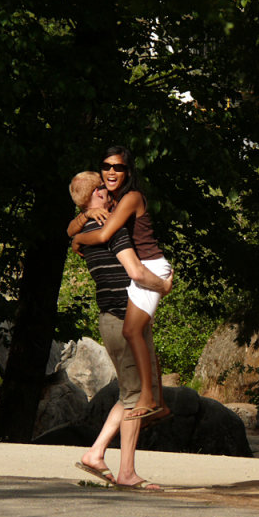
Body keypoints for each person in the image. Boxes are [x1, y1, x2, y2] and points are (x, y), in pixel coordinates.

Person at [68, 171, 168, 490]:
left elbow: (73, 230)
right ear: (94, 196)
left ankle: (96, 453)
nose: (110, 192)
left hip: (114, 319)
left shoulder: (88, 227)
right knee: (137, 395)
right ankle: (126, 473)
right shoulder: (112, 231)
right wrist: (163, 284)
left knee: (129, 394)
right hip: (121, 317)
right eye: (102, 188)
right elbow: (136, 272)